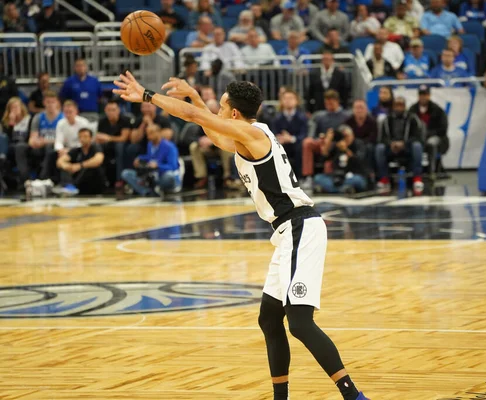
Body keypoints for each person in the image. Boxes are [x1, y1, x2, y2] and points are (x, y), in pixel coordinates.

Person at [113, 71, 369, 400]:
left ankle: (353, 396)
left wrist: (147, 96)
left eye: (220, 107)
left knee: (300, 323)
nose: (216, 112)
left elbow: (195, 118)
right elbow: (209, 126)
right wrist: (193, 95)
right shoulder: (246, 135)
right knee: (268, 318)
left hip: (301, 227)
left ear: (234, 113)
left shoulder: (251, 134)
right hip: (287, 231)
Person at [375, 96, 424, 194]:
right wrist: (391, 144)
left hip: (407, 147)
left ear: (405, 106)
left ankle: (417, 177)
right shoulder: (387, 119)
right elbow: (382, 137)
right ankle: (384, 178)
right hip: (391, 148)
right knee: (379, 148)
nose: (398, 107)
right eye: (396, 105)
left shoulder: (412, 118)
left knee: (417, 146)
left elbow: (417, 136)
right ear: (393, 106)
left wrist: (404, 144)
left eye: (401, 105)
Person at [15, 91, 63, 183]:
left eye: (53, 102)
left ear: (57, 103)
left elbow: (62, 140)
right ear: (44, 103)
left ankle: (43, 178)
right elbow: (33, 137)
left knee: (50, 147)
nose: (50, 104)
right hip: (39, 146)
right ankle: (25, 179)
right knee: (20, 147)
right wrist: (33, 141)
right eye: (48, 102)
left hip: (54, 147)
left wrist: (45, 141)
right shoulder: (38, 117)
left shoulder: (62, 118)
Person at [121, 124, 181, 196]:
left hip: (164, 176)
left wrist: (158, 166)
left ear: (159, 132)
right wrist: (140, 158)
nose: (148, 135)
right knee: (126, 173)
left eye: (151, 133)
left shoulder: (170, 147)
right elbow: (150, 157)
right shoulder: (150, 144)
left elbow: (173, 167)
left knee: (169, 176)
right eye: (147, 133)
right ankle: (147, 192)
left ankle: (157, 188)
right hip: (153, 175)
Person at [314, 127, 368, 194]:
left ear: (352, 135)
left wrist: (346, 150)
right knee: (318, 178)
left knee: (358, 180)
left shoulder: (358, 144)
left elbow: (359, 162)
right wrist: (328, 141)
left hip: (354, 176)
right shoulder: (337, 146)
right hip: (336, 178)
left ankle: (332, 189)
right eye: (343, 137)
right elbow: (323, 159)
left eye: (346, 136)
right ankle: (344, 189)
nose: (345, 139)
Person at [55, 127, 106, 195]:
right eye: (80, 137)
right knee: (65, 167)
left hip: (95, 181)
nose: (82, 139)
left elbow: (98, 160)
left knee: (89, 167)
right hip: (80, 181)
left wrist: (80, 165)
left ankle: (73, 186)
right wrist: (66, 166)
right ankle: (68, 186)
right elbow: (60, 161)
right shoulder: (76, 151)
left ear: (91, 138)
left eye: (85, 137)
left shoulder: (96, 148)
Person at [408, 85, 449, 167]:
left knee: (431, 143)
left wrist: (428, 134)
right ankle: (414, 170)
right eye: (421, 95)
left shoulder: (437, 110)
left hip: (435, 137)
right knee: (412, 144)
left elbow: (443, 128)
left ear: (429, 95)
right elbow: (408, 127)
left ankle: (431, 171)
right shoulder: (412, 110)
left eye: (425, 95)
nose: (423, 97)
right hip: (417, 137)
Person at [96, 100, 132, 188]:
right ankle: (100, 178)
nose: (111, 112)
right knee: (97, 147)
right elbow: (99, 137)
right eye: (109, 110)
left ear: (118, 110)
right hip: (108, 144)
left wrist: (108, 138)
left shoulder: (125, 120)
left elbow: (124, 138)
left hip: (123, 145)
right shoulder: (102, 121)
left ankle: (120, 179)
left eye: (113, 110)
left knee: (119, 146)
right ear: (105, 111)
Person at [273, 88, 308, 178]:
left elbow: (304, 134)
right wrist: (279, 139)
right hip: (281, 144)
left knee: (301, 148)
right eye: (285, 98)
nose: (288, 101)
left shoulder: (302, 117)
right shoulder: (276, 118)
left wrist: (291, 139)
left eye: (291, 98)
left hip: (297, 144)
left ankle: (301, 178)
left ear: (296, 101)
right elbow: (273, 133)